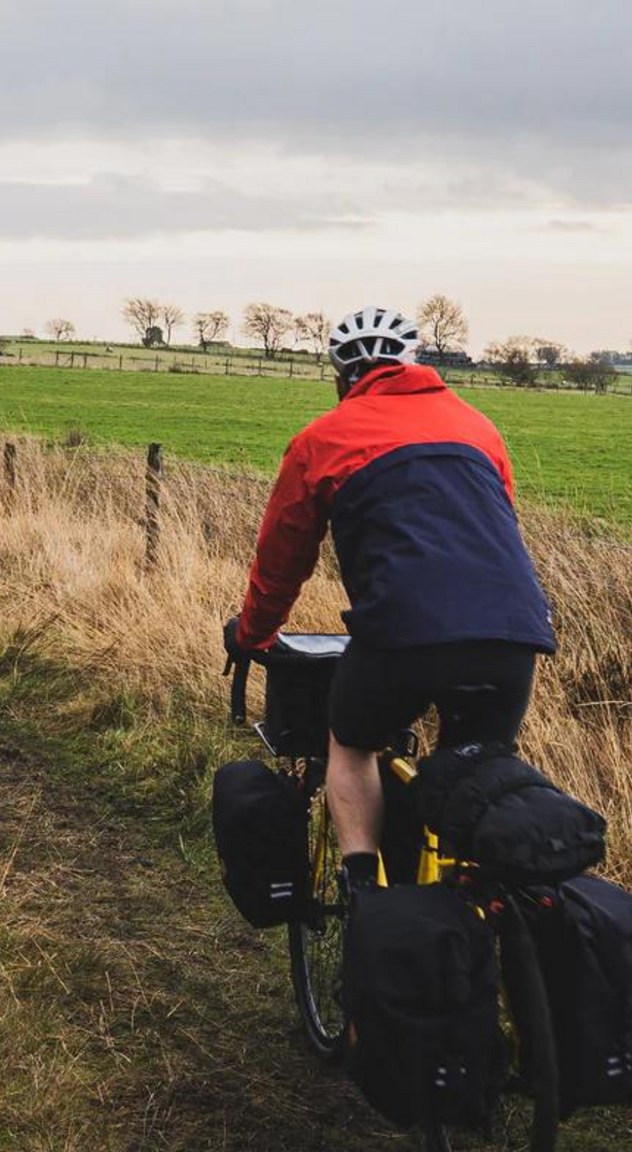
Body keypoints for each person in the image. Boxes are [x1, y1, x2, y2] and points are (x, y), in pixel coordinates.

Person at [224, 306, 556, 889]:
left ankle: (362, 890)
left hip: (403, 635)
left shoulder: (321, 440)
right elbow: (499, 522)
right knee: (475, 771)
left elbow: (283, 560)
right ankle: (473, 902)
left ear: (340, 378)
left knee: (351, 744)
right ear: (416, 364)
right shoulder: (478, 427)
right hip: (513, 632)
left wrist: (254, 633)